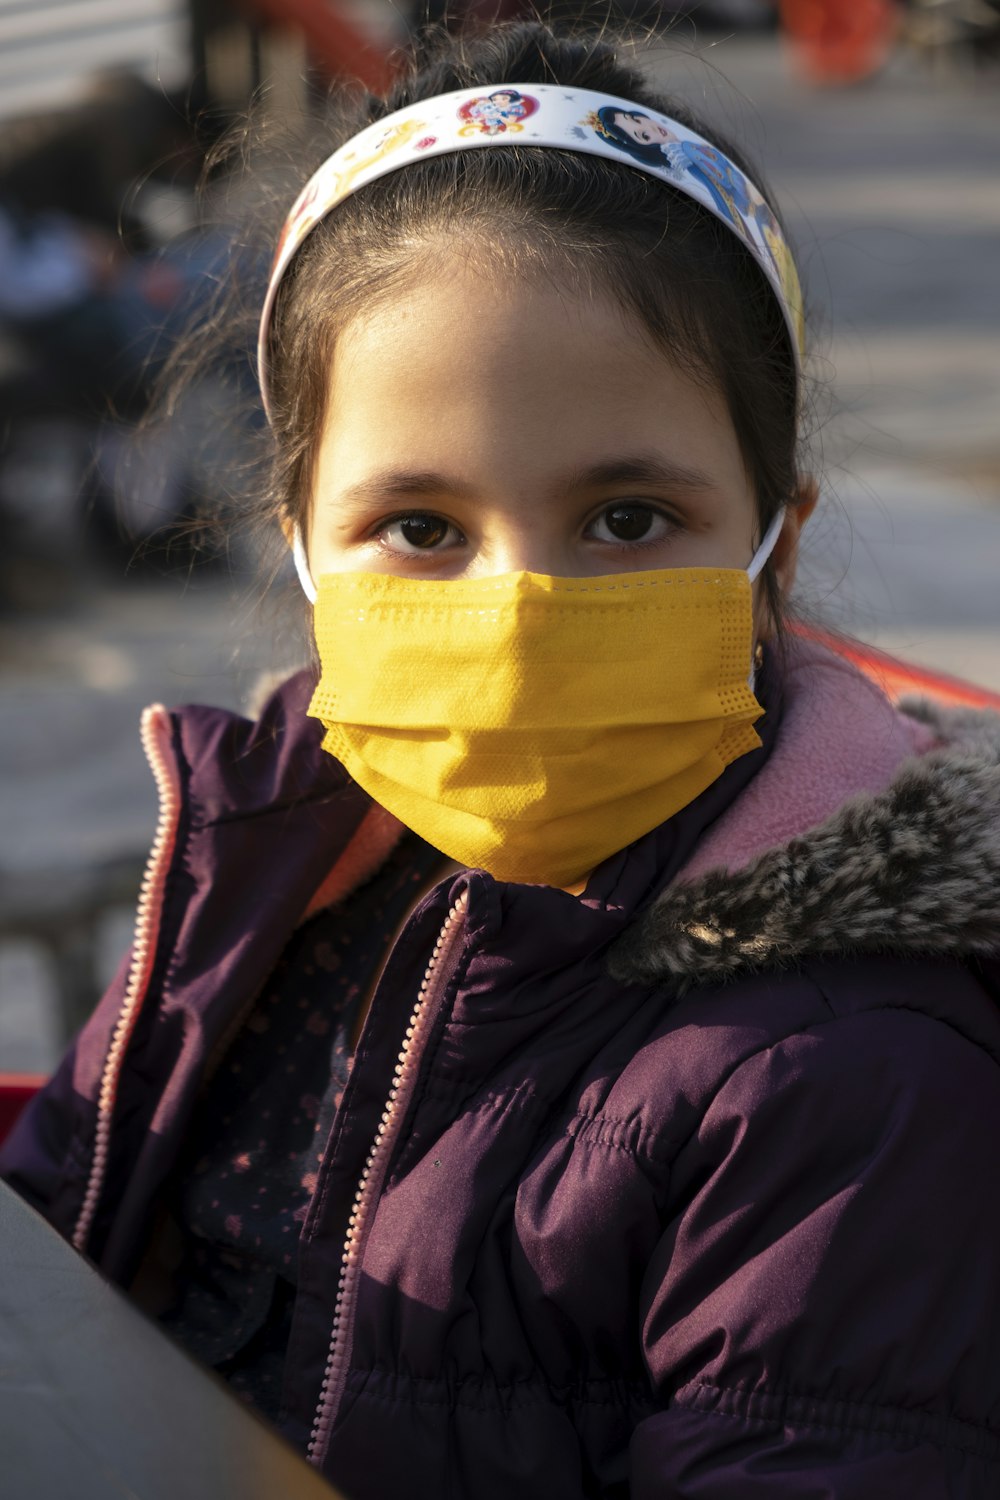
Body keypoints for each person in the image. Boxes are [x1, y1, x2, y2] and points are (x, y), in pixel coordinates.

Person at [4, 20, 1000, 1499]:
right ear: (299, 542)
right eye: (421, 529)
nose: (520, 613)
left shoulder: (852, 1075)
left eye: (626, 521)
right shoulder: (259, 870)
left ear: (774, 538)